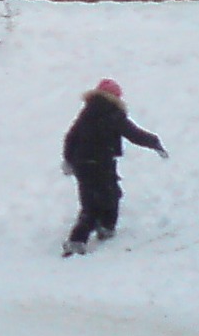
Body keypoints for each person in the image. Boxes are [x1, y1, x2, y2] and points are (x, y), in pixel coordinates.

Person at [60, 78, 167, 256]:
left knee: (90, 200)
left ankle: (90, 233)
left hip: (82, 164)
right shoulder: (113, 113)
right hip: (101, 164)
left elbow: (71, 137)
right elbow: (134, 134)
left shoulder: (87, 112)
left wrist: (68, 159)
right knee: (108, 197)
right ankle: (92, 233)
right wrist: (154, 141)